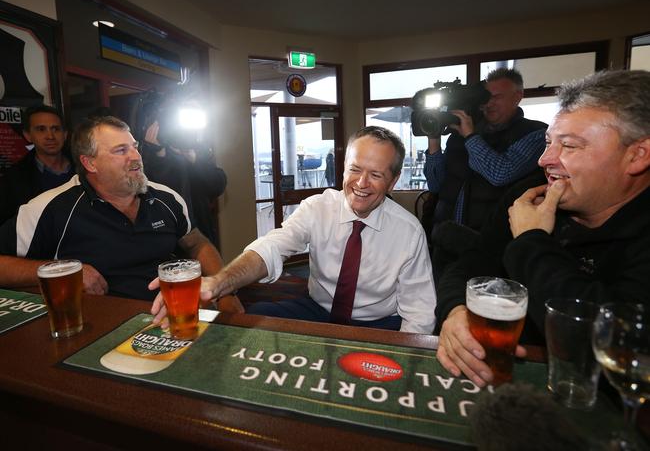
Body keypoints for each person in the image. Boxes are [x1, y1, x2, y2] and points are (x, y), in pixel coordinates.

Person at [435, 69, 650, 387]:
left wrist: (531, 240)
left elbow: (613, 345)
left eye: (571, 146)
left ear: (637, 156)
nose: (545, 159)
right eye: (549, 143)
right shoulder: (526, 195)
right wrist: (454, 311)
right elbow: (470, 265)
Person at [151, 126, 437, 334]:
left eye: (375, 175)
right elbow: (271, 247)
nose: (361, 183)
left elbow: (419, 313)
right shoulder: (317, 208)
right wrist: (218, 283)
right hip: (318, 310)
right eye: (355, 169)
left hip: (379, 323)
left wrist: (403, 362)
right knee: (252, 323)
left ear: (394, 180)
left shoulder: (409, 232)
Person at [0, 115, 222, 300]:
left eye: (135, 147)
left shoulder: (167, 198)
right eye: (120, 151)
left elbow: (197, 243)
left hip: (175, 315)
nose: (136, 157)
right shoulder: (50, 208)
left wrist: (224, 291)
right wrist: (64, 273)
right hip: (103, 330)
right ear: (90, 163)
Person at [423, 69, 547, 282]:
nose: (488, 103)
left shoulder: (535, 134)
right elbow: (435, 185)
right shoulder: (459, 134)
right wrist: (433, 140)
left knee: (483, 308)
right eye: (485, 97)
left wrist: (471, 136)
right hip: (445, 240)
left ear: (518, 97)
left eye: (497, 97)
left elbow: (500, 173)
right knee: (442, 305)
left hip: (490, 246)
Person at [140, 120, 227, 247]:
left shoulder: (197, 154)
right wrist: (158, 155)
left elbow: (218, 184)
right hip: (168, 234)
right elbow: (157, 190)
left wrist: (195, 162)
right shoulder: (152, 157)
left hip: (200, 229)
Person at [0, 105, 74, 224]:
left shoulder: (85, 168)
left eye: (55, 129)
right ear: (28, 135)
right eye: (41, 129)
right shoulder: (14, 179)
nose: (50, 136)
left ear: (65, 134)